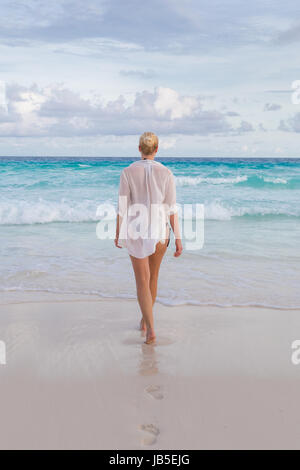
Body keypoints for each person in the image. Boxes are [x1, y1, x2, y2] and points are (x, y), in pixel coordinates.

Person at [115, 132, 182, 344]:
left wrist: (118, 233)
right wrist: (178, 238)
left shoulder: (127, 172)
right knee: (153, 278)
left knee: (142, 282)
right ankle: (145, 322)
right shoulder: (167, 173)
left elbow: (122, 207)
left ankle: (150, 327)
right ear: (156, 149)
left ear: (139, 149)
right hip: (161, 232)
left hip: (136, 231)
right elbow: (171, 209)